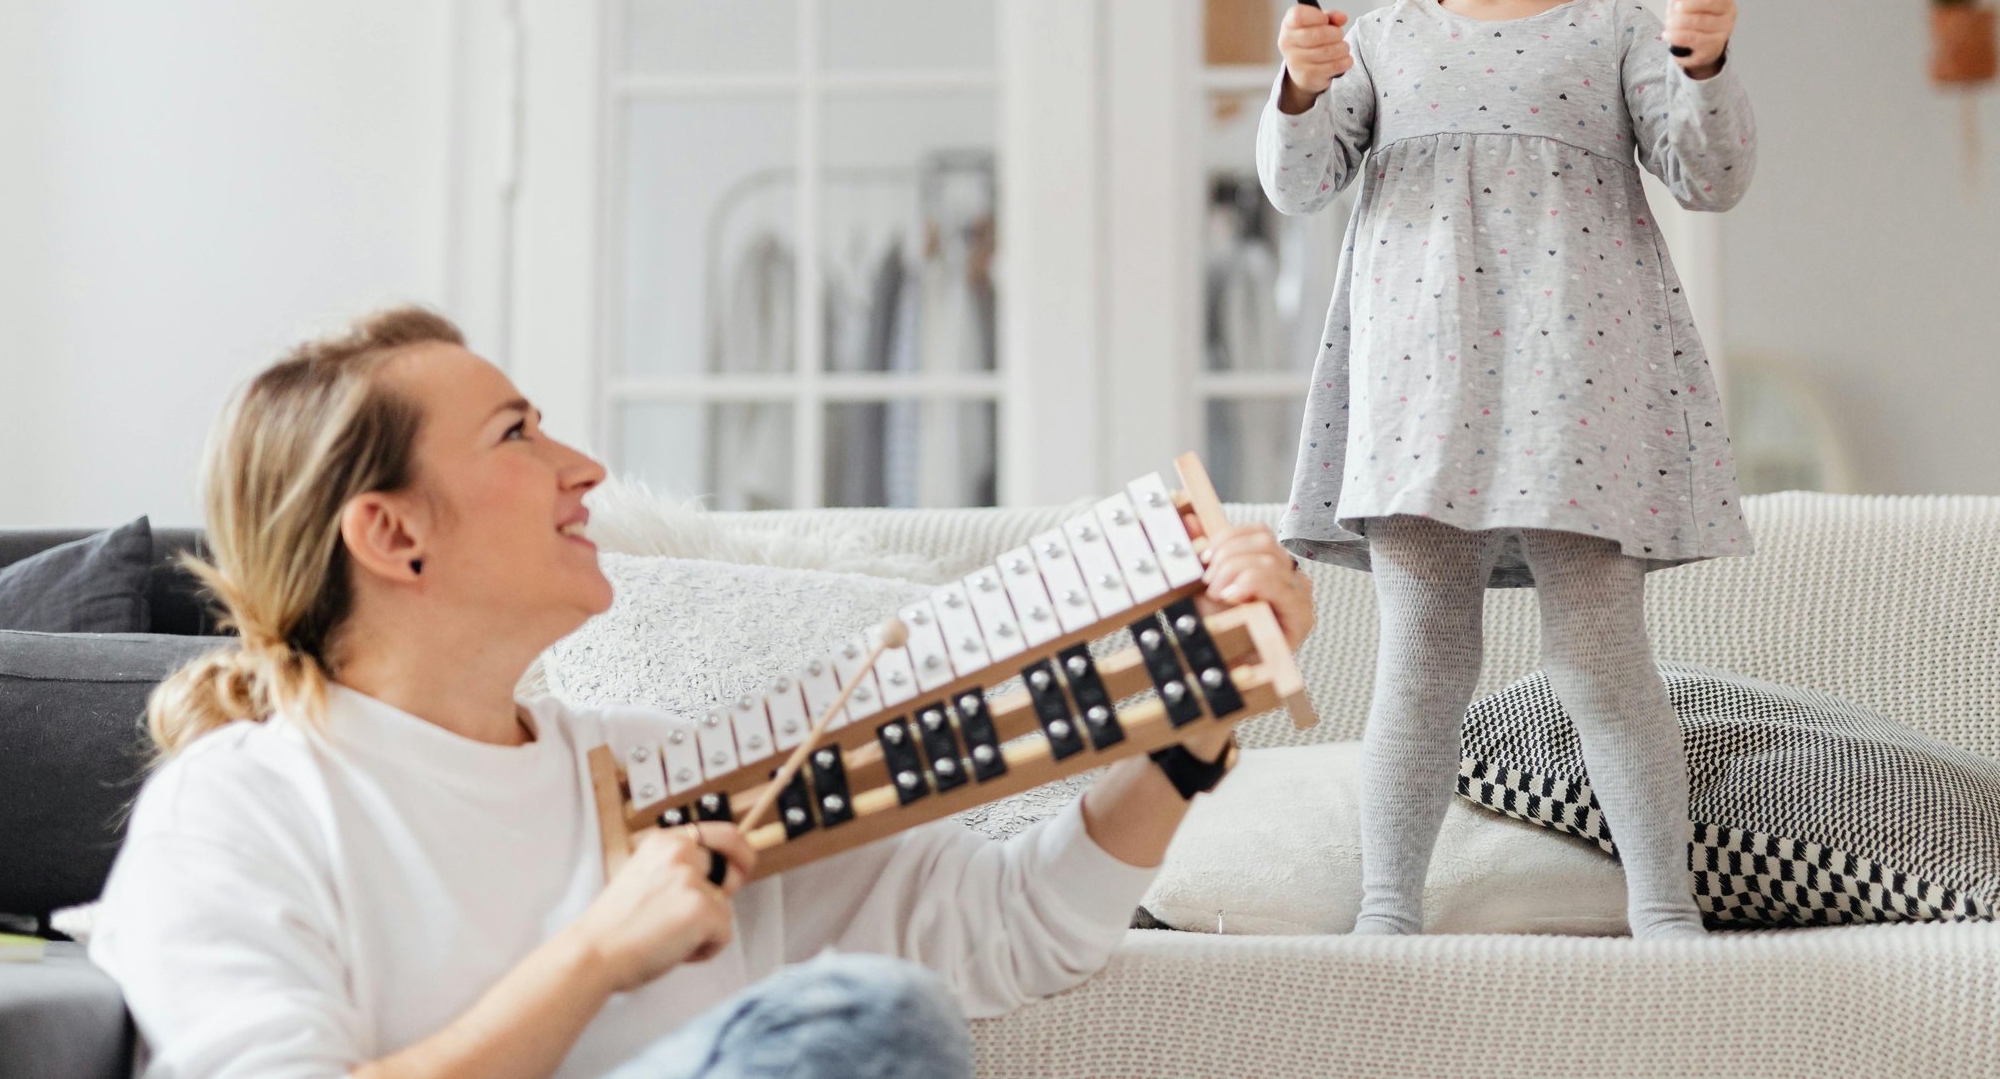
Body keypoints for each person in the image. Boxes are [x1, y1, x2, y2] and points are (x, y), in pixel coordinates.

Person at [87, 307, 1312, 1079]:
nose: (585, 470)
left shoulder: (666, 778)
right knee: (854, 1020)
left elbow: (1012, 930)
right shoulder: (242, 806)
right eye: (517, 434)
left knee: (870, 1016)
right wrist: (592, 958)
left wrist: (1191, 721)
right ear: (393, 533)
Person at [1257, 0, 1755, 939]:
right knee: (1421, 664)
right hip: (1419, 403)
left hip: (1576, 398)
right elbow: (1299, 182)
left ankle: (1664, 907)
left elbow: (1711, 173)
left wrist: (1707, 66)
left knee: (1600, 657)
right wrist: (1298, 88)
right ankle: (1387, 906)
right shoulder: (1377, 37)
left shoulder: (1621, 32)